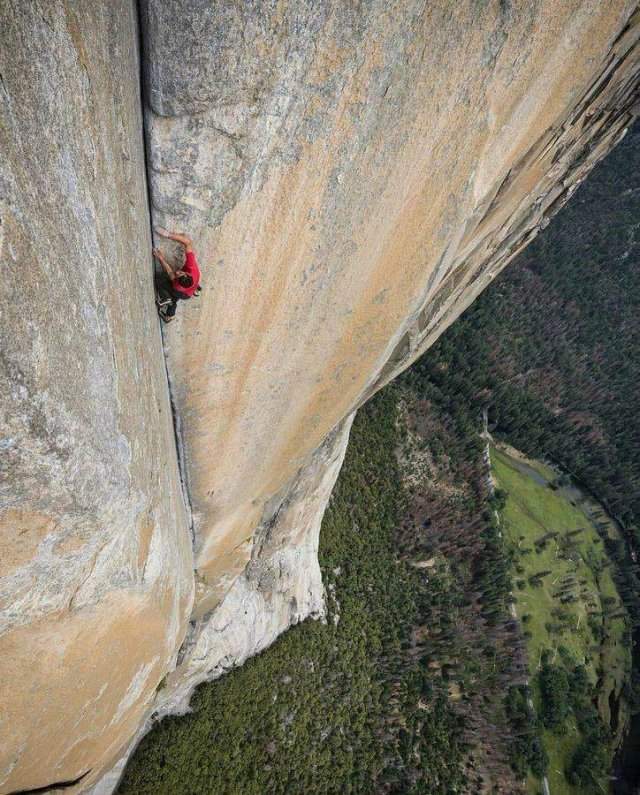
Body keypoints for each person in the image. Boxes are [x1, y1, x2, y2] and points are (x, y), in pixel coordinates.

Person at [153, 228, 202, 322]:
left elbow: (170, 272)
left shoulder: (178, 285)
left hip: (182, 293)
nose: (177, 272)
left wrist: (160, 258)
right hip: (188, 294)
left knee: (160, 279)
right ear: (187, 274)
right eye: (180, 273)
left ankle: (166, 298)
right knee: (174, 299)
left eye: (178, 275)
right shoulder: (192, 267)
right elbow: (188, 242)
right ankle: (169, 316)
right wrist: (168, 234)